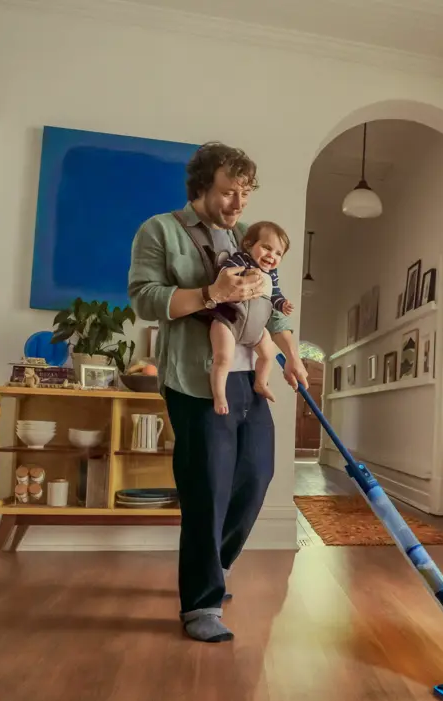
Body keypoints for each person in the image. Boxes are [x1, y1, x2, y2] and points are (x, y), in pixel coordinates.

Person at [127, 142, 308, 643]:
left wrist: (291, 353)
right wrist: (212, 294)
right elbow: (144, 298)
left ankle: (213, 565)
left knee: (256, 475)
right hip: (196, 379)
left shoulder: (245, 240)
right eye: (230, 192)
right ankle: (202, 601)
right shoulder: (160, 230)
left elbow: (274, 306)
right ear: (202, 186)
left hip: (250, 379)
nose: (237, 204)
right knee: (206, 489)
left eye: (245, 195)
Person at [207, 220, 295, 415]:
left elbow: (275, 295)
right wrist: (244, 278)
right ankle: (219, 394)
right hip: (230, 321)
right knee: (223, 358)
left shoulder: (271, 275)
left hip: (256, 329)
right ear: (249, 245)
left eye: (278, 253)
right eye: (266, 247)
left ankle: (261, 382)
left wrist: (283, 304)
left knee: (267, 354)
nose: (271, 256)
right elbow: (224, 276)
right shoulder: (241, 260)